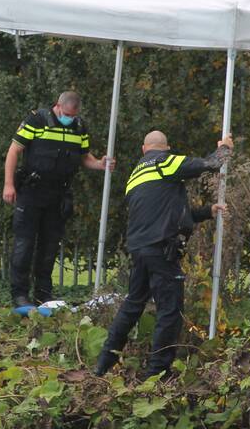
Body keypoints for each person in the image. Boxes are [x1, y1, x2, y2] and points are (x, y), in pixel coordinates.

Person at [94, 130, 232, 379]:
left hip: (139, 249)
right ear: (165, 149)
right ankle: (158, 373)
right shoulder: (164, 161)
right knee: (169, 310)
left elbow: (165, 211)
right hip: (161, 250)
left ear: (143, 149)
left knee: (132, 306)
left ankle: (103, 364)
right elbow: (211, 164)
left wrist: (205, 212)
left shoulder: (136, 175)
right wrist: (225, 148)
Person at [3, 91, 114, 308]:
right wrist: (9, 184)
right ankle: (19, 295)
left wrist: (100, 164)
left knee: (49, 246)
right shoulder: (37, 121)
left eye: (73, 116)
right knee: (24, 245)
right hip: (32, 192)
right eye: (66, 115)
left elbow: (84, 157)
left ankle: (43, 294)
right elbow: (14, 151)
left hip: (58, 195)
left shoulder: (79, 128)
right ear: (57, 106)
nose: (69, 119)